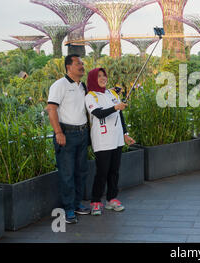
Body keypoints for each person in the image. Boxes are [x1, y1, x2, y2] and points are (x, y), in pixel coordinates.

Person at [46, 54, 91, 224]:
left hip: (82, 133)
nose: (82, 66)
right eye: (78, 63)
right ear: (68, 67)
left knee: (81, 171)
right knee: (67, 174)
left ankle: (77, 204)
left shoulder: (82, 86)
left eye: (82, 63)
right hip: (67, 135)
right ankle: (68, 209)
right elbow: (51, 109)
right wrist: (58, 132)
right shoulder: (60, 85)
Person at [85, 68, 135, 216]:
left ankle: (112, 199)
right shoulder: (90, 96)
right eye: (99, 76)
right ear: (93, 78)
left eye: (104, 75)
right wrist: (115, 107)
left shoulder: (112, 93)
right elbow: (98, 113)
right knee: (102, 172)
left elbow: (120, 116)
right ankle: (95, 201)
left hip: (117, 138)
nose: (102, 78)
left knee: (114, 171)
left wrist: (125, 134)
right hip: (102, 140)